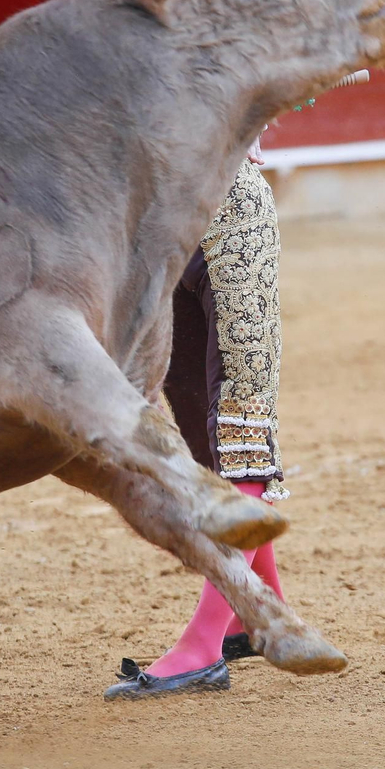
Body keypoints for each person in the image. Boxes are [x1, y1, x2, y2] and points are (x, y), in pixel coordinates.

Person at [105, 145, 291, 699]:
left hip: (234, 220)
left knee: (239, 428)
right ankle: (259, 615)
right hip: (158, 234)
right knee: (200, 443)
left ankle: (203, 646)